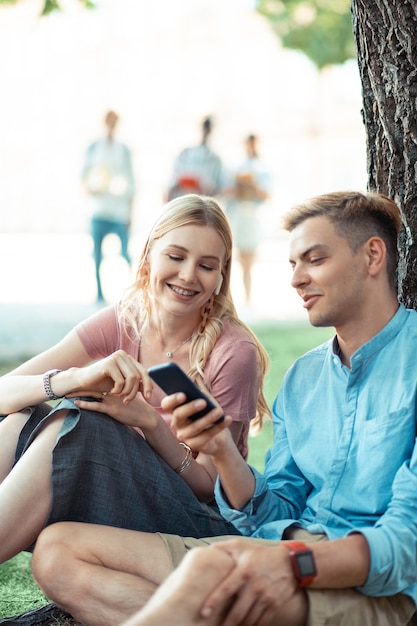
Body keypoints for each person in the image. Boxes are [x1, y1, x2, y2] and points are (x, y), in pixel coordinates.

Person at [31, 191, 417, 626]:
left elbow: (408, 542)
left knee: (206, 571)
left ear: (372, 256)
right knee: (56, 550)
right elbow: (277, 510)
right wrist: (222, 451)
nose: (296, 279)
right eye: (292, 264)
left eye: (314, 259)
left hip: (375, 586)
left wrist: (295, 563)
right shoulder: (303, 380)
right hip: (281, 551)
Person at [0, 195, 271, 573]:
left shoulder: (233, 352)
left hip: (196, 520)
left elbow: (212, 488)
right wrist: (74, 378)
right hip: (119, 487)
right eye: (176, 257)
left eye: (207, 266)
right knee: (22, 416)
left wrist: (150, 423)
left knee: (78, 423)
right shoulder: (125, 319)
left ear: (222, 275)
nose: (189, 275)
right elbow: (4, 392)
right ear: (148, 256)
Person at [81, 109, 136, 302]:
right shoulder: (94, 147)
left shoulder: (123, 150)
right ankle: (99, 293)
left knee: (125, 252)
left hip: (118, 210)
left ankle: (134, 290)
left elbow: (131, 183)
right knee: (97, 254)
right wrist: (92, 188)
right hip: (99, 209)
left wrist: (130, 212)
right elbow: (84, 177)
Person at [226, 134, 271, 303]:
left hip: (253, 216)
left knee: (250, 257)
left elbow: (267, 195)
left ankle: (248, 295)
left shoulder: (263, 169)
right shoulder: (237, 168)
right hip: (238, 216)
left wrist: (253, 184)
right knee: (235, 257)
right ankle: (235, 295)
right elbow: (228, 192)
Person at [167, 116, 224, 200]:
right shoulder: (185, 153)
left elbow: (218, 190)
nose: (205, 131)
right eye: (204, 127)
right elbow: (172, 182)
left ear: (211, 130)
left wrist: (203, 186)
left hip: (202, 206)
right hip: (181, 201)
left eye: (207, 127)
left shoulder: (215, 159)